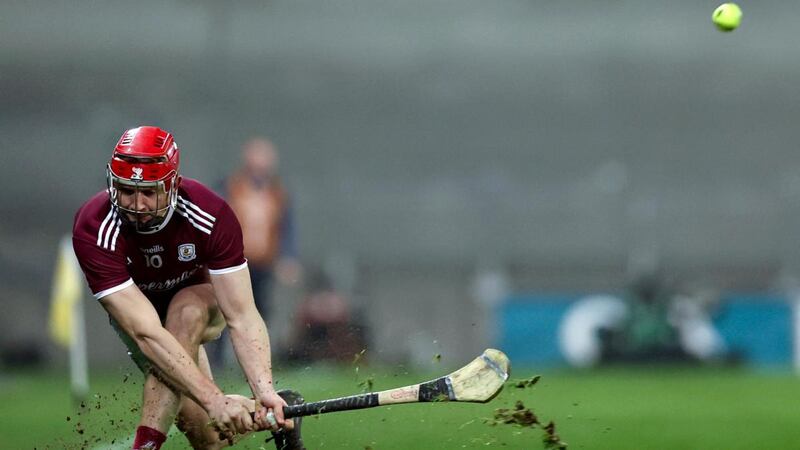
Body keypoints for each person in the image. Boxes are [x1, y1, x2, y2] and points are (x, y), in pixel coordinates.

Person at [71, 126, 306, 450]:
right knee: (206, 437)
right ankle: (280, 412)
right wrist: (217, 402)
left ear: (172, 185)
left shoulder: (211, 213)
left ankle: (145, 445)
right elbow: (146, 333)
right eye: (127, 190)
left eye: (149, 192)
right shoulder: (94, 228)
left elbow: (242, 316)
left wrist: (262, 387)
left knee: (185, 312)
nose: (137, 205)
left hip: (200, 297)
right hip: (146, 319)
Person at [225, 137, 302, 322]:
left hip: (263, 261)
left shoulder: (277, 193)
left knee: (260, 308)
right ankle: (219, 352)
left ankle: (258, 349)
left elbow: (287, 226)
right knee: (228, 307)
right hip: (233, 260)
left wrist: (289, 257)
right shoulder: (232, 187)